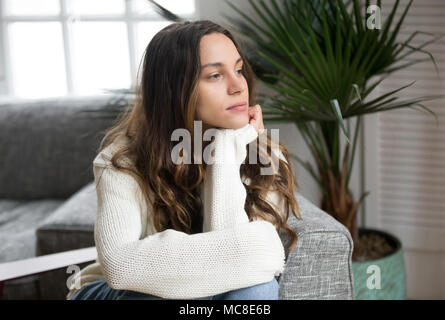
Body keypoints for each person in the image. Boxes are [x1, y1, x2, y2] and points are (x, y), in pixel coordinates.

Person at [68, 20, 302, 301]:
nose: (238, 85)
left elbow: (235, 269)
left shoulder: (264, 157)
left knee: (256, 287)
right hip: (116, 292)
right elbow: (120, 267)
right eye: (215, 75)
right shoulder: (121, 161)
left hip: (196, 293)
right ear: (175, 90)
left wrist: (226, 151)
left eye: (238, 69)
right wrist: (258, 249)